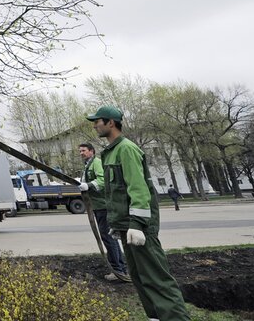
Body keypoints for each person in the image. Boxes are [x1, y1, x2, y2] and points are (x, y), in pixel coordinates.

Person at [87, 105, 189, 321]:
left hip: (138, 227)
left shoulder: (126, 149)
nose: (95, 125)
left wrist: (138, 223)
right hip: (126, 226)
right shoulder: (110, 152)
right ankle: (155, 317)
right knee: (140, 277)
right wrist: (118, 223)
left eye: (98, 121)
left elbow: (138, 187)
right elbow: (116, 192)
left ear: (111, 123)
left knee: (156, 278)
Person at [78, 142, 129, 282]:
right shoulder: (88, 165)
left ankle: (118, 270)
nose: (81, 153)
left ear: (92, 151)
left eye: (83, 150)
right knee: (110, 238)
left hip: (103, 207)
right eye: (80, 151)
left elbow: (102, 180)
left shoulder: (97, 163)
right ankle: (120, 269)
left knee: (108, 238)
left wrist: (88, 185)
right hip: (98, 206)